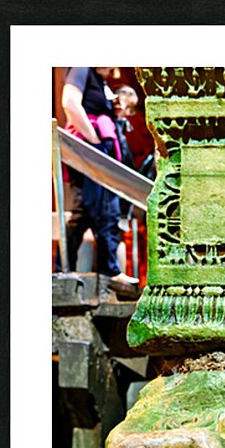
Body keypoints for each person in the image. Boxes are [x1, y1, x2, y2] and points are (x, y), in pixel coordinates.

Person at [57, 67, 136, 289]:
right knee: (85, 210)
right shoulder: (82, 69)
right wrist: (94, 142)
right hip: (88, 153)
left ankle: (108, 270)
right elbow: (70, 103)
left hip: (99, 154)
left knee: (106, 212)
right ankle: (64, 267)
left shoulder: (102, 82)